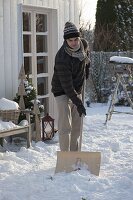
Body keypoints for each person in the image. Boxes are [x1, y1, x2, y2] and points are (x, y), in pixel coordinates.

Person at [51, 21, 90, 151]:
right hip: (62, 90)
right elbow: (67, 86)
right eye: (70, 40)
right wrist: (78, 103)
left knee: (77, 124)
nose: (74, 43)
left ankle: (74, 153)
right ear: (66, 41)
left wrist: (87, 69)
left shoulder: (83, 44)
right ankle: (65, 156)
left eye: (76, 39)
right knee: (65, 125)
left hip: (77, 88)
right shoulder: (62, 57)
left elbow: (86, 56)